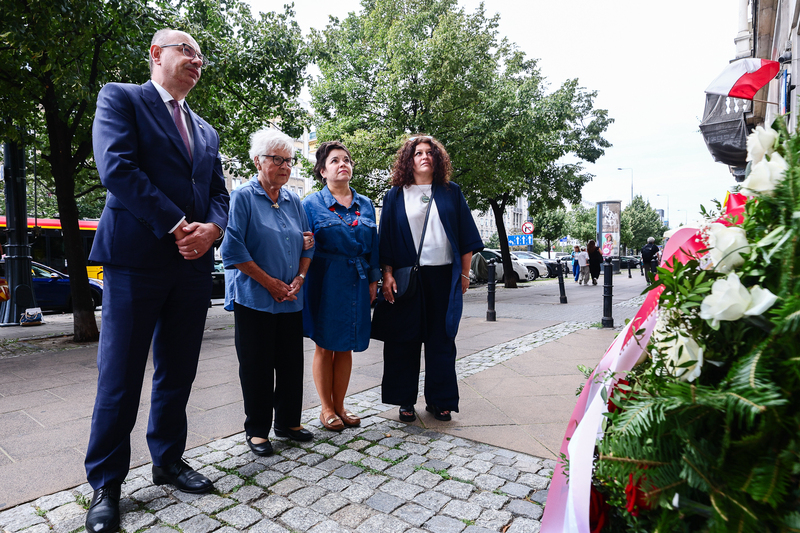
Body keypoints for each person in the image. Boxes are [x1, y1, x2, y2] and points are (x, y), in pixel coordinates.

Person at [85, 29, 229, 533]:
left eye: (200, 54)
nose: (196, 59)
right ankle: (106, 483)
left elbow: (219, 194)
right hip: (135, 260)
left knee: (178, 370)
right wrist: (177, 225)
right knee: (120, 376)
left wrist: (212, 229)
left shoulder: (207, 130)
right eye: (186, 49)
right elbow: (117, 169)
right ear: (155, 54)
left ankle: (168, 460)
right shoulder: (121, 98)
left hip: (191, 267)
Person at [372, 135, 483, 423]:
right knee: (402, 340)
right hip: (406, 277)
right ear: (408, 159)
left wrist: (463, 273)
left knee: (442, 340)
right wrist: (386, 274)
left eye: (430, 152)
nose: (424, 157)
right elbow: (386, 240)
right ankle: (404, 400)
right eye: (418, 152)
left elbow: (467, 238)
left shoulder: (451, 192)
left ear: (438, 159)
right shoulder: (395, 194)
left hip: (443, 275)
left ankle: (440, 400)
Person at [221, 128, 315, 457]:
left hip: (290, 298)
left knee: (290, 364)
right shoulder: (243, 197)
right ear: (258, 161)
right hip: (255, 299)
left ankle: (288, 422)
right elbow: (232, 250)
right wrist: (270, 283)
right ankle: (257, 430)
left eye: (289, 160)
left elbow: (308, 242)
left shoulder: (293, 201)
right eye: (278, 159)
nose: (286, 166)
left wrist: (300, 277)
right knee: (257, 366)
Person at [302, 141, 380, 431]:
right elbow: (301, 243)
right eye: (335, 161)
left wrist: (374, 279)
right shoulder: (310, 204)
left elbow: (374, 246)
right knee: (325, 345)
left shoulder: (366, 204)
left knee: (346, 345)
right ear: (323, 170)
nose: (342, 164)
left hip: (357, 279)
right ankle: (325, 408)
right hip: (325, 279)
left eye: (346, 160)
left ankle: (341, 404)